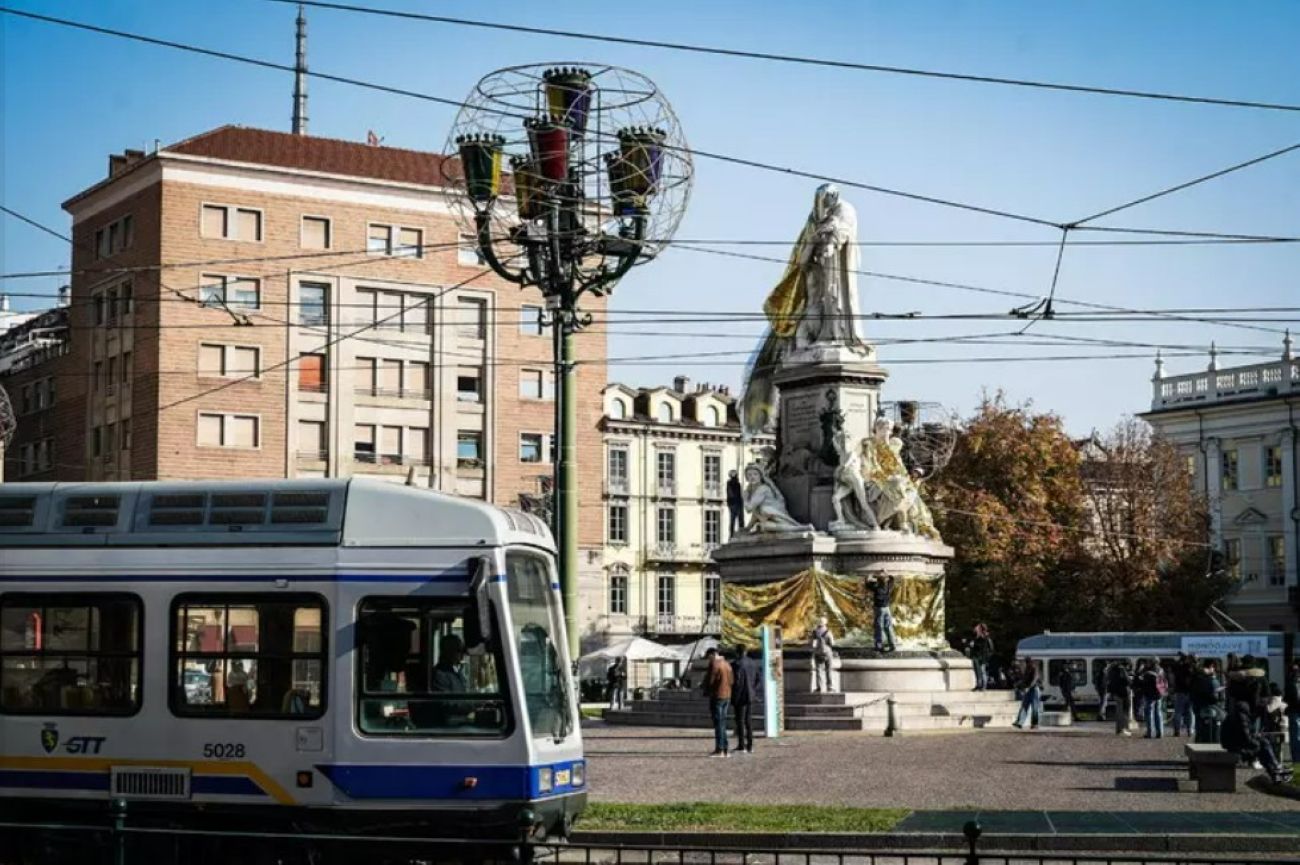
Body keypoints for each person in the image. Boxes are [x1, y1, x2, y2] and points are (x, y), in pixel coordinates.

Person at [1222, 696, 1293, 784]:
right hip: (1236, 747)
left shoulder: (1236, 715)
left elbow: (1244, 735)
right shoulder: (1242, 717)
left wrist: (1256, 738)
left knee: (1263, 744)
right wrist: (1257, 742)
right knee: (1263, 745)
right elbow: (1246, 737)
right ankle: (1276, 770)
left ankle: (1275, 770)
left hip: (1233, 745)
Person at [703, 648, 733, 757]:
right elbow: (731, 680)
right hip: (727, 695)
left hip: (717, 696)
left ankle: (719, 749)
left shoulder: (714, 664)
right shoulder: (727, 664)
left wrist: (705, 689)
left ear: (712, 655)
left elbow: (711, 681)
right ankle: (725, 749)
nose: (708, 660)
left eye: (708, 657)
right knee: (723, 723)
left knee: (718, 723)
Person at [730, 648, 760, 754]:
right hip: (750, 695)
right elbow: (758, 678)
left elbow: (734, 681)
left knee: (740, 721)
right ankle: (750, 745)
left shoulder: (736, 664)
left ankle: (742, 745)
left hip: (740, 696)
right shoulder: (753, 663)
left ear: (737, 653)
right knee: (748, 721)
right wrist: (752, 688)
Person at [1190, 658, 1224, 745]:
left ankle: (1199, 742)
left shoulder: (1197, 676)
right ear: (1211, 666)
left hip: (1197, 703)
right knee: (1207, 727)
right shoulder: (1209, 679)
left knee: (1200, 727)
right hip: (1207, 705)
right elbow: (1212, 696)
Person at [868, 575, 897, 653]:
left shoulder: (877, 588)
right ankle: (892, 644)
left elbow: (868, 583)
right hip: (887, 608)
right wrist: (886, 573)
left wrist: (872, 576)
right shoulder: (888, 586)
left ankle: (879, 646)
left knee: (879, 627)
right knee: (888, 627)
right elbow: (892, 579)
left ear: (878, 581)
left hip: (879, 609)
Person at [1140, 657, 1167, 739]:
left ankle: (1150, 733)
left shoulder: (1147, 672)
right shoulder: (1161, 670)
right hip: (1159, 693)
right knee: (1158, 713)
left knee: (1149, 714)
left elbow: (1143, 681)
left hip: (1149, 694)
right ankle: (1160, 733)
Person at [1171, 653, 1195, 738]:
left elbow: (1174, 669)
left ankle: (1177, 731)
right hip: (1190, 692)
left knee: (1178, 712)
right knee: (1190, 712)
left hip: (1180, 692)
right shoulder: (1192, 668)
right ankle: (1190, 730)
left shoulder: (1179, 667)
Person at [1013, 660, 1042, 729]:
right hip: (1028, 689)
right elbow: (1024, 680)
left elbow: (1034, 680)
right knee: (1024, 706)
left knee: (1035, 707)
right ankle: (1019, 722)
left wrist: (1028, 687)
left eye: (1026, 663)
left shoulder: (1034, 669)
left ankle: (1035, 724)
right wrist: (1020, 685)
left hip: (1034, 689)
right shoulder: (1027, 670)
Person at [1107, 659, 1133, 736]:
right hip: (1124, 693)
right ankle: (1124, 729)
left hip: (1116, 693)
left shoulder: (1112, 670)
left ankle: (1118, 729)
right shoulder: (1122, 670)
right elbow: (1128, 681)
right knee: (1125, 712)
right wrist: (1130, 678)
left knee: (1118, 712)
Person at [810, 617, 836, 693]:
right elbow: (832, 643)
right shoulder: (828, 632)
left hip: (818, 653)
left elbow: (812, 644)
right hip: (827, 653)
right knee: (829, 670)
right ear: (825, 623)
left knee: (819, 671)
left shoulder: (814, 632)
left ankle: (819, 688)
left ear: (818, 623)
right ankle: (830, 687)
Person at [1284, 660, 1300, 763]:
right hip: (1295, 711)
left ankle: (1297, 758)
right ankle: (1297, 758)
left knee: (1295, 736)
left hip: (1294, 711)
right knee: (1296, 736)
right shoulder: (1292, 683)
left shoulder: (1291, 683)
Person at [970, 624, 994, 692]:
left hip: (983, 657)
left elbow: (990, 649)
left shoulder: (985, 638)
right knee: (977, 672)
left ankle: (983, 686)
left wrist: (987, 657)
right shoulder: (976, 638)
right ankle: (978, 685)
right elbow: (975, 648)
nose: (976, 629)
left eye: (977, 628)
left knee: (982, 671)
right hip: (976, 657)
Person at [726, 470, 745, 537]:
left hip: (738, 503)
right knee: (733, 520)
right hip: (734, 503)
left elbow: (739, 494)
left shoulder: (738, 483)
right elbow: (730, 493)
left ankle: (741, 532)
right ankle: (731, 534)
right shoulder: (730, 483)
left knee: (739, 519)